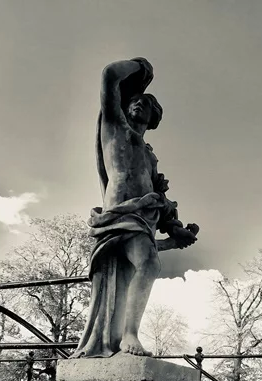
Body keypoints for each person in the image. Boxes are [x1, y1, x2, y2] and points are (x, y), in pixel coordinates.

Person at [73, 58, 199, 358]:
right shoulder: (115, 129)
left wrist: (176, 233)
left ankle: (127, 334)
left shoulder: (150, 157)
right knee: (149, 264)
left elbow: (162, 203)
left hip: (142, 218)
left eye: (145, 103)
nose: (138, 104)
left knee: (148, 262)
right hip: (118, 212)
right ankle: (128, 335)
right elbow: (109, 76)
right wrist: (142, 68)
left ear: (153, 118)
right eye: (135, 101)